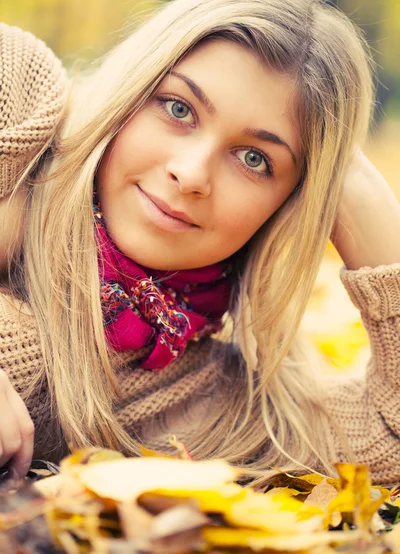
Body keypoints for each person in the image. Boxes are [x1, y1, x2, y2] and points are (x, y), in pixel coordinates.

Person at [1, 0, 400, 488]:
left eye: (255, 159)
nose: (190, 174)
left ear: (290, 204)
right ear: (133, 88)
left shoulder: (220, 405)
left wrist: (359, 196)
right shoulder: (21, 98)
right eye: (178, 108)